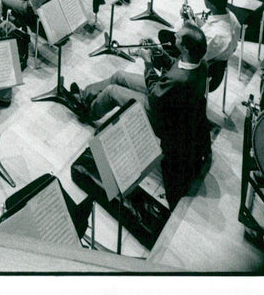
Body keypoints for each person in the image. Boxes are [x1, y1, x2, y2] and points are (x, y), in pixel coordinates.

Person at [70, 24, 210, 208]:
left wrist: (148, 63)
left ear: (185, 47)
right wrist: (158, 52)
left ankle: (88, 111)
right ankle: (86, 95)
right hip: (168, 101)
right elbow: (173, 67)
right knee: (120, 75)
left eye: (178, 37)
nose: (174, 36)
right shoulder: (199, 63)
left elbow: (154, 92)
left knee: (113, 91)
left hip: (162, 116)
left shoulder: (180, 80)